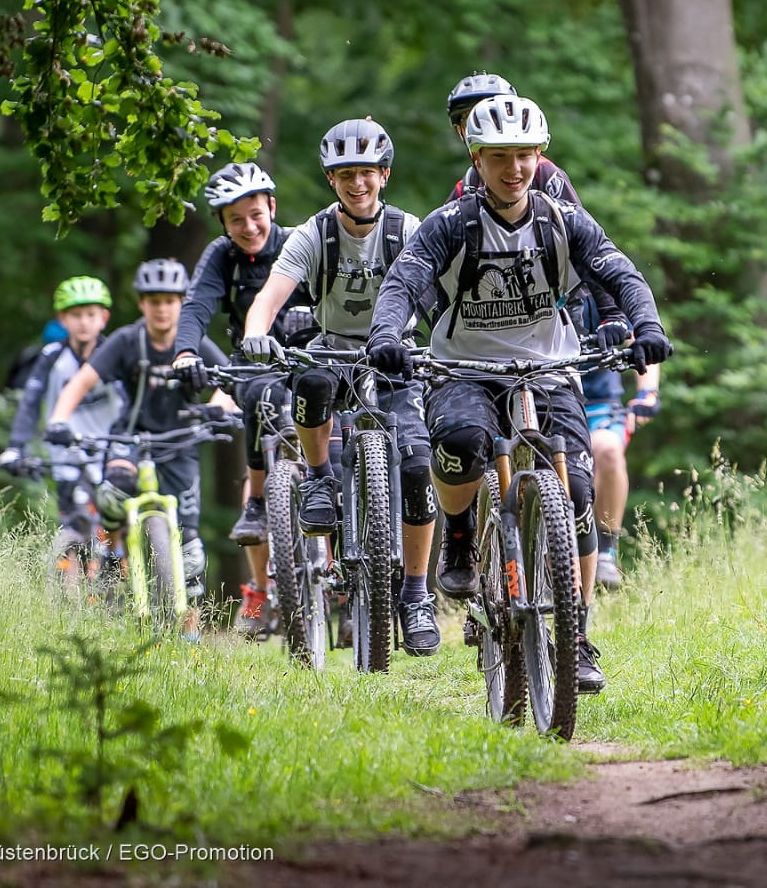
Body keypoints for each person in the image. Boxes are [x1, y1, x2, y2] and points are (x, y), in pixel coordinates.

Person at [367, 94, 672, 693]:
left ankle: (578, 634)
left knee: (579, 488)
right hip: (465, 370)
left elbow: (620, 271)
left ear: (541, 156)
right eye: (501, 157)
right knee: (459, 442)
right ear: (476, 160)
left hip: (550, 368)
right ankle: (457, 538)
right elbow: (405, 281)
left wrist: (647, 326)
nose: (515, 169)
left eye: (526, 156)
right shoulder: (450, 224)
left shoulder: (562, 220)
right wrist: (385, 334)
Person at [238, 117, 441, 656]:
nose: (358, 184)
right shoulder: (313, 234)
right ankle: (321, 478)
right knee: (308, 382)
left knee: (420, 464)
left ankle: (417, 595)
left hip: (397, 355)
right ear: (332, 180)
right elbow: (269, 297)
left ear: (385, 175)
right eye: (346, 174)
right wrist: (256, 333)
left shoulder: (408, 231)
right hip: (334, 348)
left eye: (367, 173)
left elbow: (441, 297)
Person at [45, 259, 233, 641]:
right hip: (129, 438)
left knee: (192, 550)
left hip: (180, 442)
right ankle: (111, 558)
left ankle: (190, 636)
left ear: (181, 302)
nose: (162, 308)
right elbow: (80, 383)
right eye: (153, 301)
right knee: (112, 493)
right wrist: (59, 421)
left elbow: (228, 382)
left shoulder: (193, 340)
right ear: (141, 304)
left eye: (169, 300)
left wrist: (218, 407)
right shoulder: (127, 341)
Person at [170, 162, 316, 638]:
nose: (249, 228)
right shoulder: (221, 257)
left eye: (256, 215)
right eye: (236, 220)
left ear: (271, 207)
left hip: (312, 360)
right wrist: (186, 352)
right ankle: (257, 551)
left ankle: (346, 574)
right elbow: (196, 307)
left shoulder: (300, 242)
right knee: (259, 398)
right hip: (253, 367)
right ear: (222, 224)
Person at [0, 276, 122, 570]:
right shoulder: (51, 357)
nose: (83, 323)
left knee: (117, 523)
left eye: (90, 314)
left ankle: (123, 569)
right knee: (77, 524)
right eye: (75, 315)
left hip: (113, 450)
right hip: (67, 455)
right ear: (62, 319)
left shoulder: (116, 353)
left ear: (103, 318)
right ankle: (73, 594)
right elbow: (30, 402)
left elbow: (131, 401)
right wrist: (16, 447)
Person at [578, 293, 662, 590]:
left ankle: (606, 550)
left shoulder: (598, 287)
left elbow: (640, 337)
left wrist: (647, 392)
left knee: (608, 450)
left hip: (599, 404)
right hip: (542, 400)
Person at [444, 71, 580, 205]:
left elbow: (575, 221)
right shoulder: (466, 187)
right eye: (471, 120)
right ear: (459, 130)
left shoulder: (544, 173)